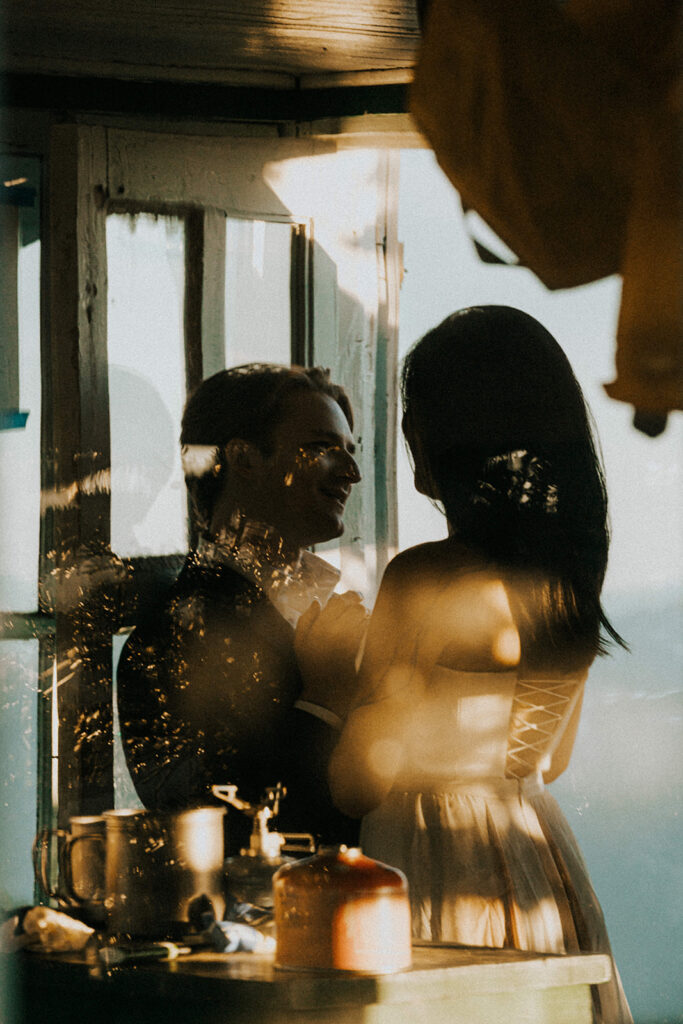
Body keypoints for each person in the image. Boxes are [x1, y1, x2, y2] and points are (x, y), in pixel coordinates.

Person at [324, 307, 632, 1023]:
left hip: (433, 864)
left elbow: (355, 781)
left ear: (441, 439)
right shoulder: (567, 581)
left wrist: (329, 675)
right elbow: (547, 763)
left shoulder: (423, 577)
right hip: (539, 864)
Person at [117, 363, 367, 853]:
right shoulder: (172, 636)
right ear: (245, 459)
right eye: (322, 447)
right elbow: (219, 834)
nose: (352, 473)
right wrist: (324, 702)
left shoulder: (327, 608)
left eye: (351, 453)